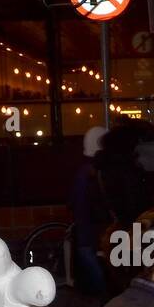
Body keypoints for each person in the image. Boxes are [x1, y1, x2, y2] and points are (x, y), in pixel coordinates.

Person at [69, 125, 111, 296]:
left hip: (85, 232)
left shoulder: (83, 171)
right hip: (91, 232)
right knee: (102, 282)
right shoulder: (93, 173)